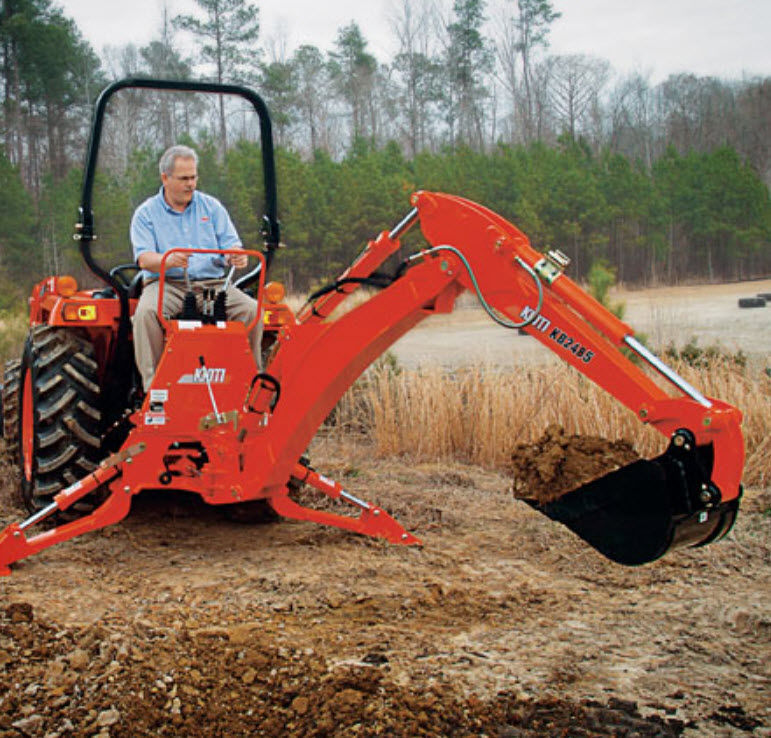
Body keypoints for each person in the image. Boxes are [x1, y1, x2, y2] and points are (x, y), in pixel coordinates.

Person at [130, 144, 261, 392]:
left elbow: (232, 245)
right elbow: (144, 259)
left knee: (251, 310)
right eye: (184, 178)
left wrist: (237, 256)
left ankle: (249, 384)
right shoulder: (146, 214)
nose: (191, 184)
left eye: (194, 177)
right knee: (146, 314)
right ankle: (154, 389)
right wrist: (167, 260)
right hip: (168, 285)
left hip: (213, 286)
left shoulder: (211, 207)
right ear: (165, 178)